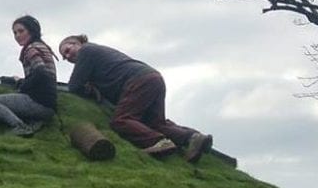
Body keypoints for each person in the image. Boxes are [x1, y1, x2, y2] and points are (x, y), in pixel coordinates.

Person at [58, 35, 213, 161]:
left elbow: (74, 86)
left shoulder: (87, 50)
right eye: (64, 56)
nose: (67, 56)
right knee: (153, 122)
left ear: (77, 42)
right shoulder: (98, 55)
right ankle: (193, 138)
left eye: (67, 50)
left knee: (121, 120)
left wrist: (88, 90)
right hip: (152, 77)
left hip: (137, 81)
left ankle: (157, 141)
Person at [0, 15, 58, 136]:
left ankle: (20, 126)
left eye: (21, 31)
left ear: (31, 31)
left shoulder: (31, 48)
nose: (17, 35)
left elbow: (41, 72)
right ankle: (34, 121)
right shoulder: (41, 46)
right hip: (49, 105)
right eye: (15, 33)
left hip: (39, 102)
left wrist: (22, 87)